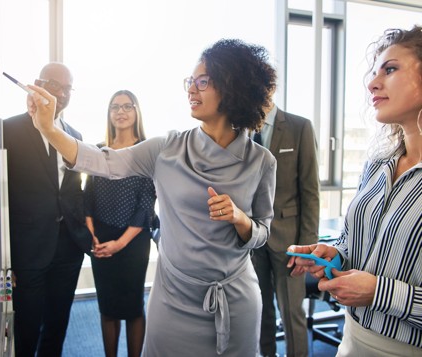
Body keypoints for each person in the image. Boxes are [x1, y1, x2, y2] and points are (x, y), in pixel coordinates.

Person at [27, 39, 277, 356]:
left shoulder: (262, 162)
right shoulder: (166, 148)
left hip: (235, 300)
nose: (191, 90)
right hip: (174, 299)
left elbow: (262, 234)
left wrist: (240, 218)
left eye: (203, 82)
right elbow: (102, 161)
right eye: (190, 81)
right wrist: (49, 130)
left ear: (232, 88)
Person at [287, 25, 422, 356]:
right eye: (374, 73)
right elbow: (353, 241)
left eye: (390, 69)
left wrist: (379, 292)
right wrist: (336, 254)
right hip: (352, 338)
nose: (372, 83)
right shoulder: (378, 164)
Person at [3, 62, 92, 357]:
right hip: (29, 249)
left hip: (68, 246)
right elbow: (3, 195)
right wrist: (7, 257)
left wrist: (84, 230)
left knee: (57, 325)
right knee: (27, 328)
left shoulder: (74, 134)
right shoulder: (10, 129)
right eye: (55, 85)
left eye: (67, 89)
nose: (62, 94)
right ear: (37, 83)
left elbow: (73, 189)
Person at [85, 90, 157, 357]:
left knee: (133, 306)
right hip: (100, 238)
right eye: (115, 106)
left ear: (137, 112)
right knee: (108, 306)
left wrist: (120, 244)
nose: (121, 111)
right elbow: (88, 196)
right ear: (109, 113)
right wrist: (92, 234)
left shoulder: (147, 151)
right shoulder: (98, 150)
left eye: (127, 106)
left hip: (134, 240)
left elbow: (146, 205)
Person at [251, 96, 320, 357]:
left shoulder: (299, 127)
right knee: (260, 311)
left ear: (268, 87)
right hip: (253, 239)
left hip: (290, 241)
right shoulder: (241, 129)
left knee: (292, 314)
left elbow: (311, 192)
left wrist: (307, 248)